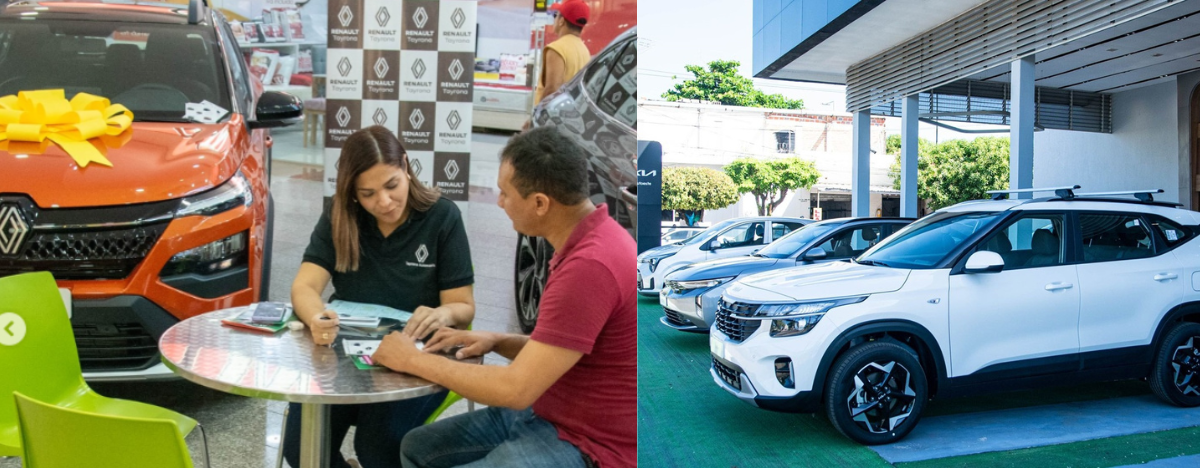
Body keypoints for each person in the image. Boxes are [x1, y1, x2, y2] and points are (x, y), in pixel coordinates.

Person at [372, 126, 636, 468]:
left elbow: (515, 389)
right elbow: (562, 350)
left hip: (591, 444)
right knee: (417, 448)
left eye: (505, 193)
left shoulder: (590, 267)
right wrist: (497, 340)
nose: (499, 203)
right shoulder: (592, 238)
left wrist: (412, 359)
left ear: (540, 203)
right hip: (553, 410)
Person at [283, 126, 475, 468]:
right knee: (302, 447)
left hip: (416, 361)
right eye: (368, 194)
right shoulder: (341, 216)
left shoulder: (442, 217)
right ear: (352, 192)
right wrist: (316, 317)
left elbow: (463, 305)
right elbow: (304, 287)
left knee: (377, 446)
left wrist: (442, 314)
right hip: (345, 357)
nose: (383, 203)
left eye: (391, 186)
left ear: (406, 166)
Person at [531, 0, 592, 106]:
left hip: (552, 117)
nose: (554, 19)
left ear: (561, 21)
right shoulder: (584, 50)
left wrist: (536, 118)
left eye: (556, 15)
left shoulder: (557, 48)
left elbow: (552, 89)